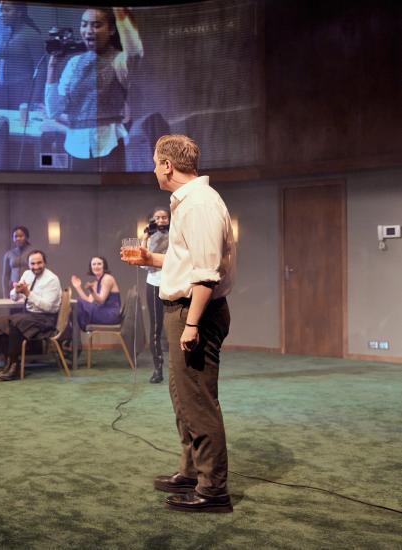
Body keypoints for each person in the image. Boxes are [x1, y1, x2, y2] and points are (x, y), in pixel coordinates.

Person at [124, 134, 236, 513]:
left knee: (198, 400)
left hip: (194, 312)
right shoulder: (188, 203)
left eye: (155, 162)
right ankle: (190, 470)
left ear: (168, 165)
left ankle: (212, 489)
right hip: (186, 309)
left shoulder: (200, 204)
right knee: (182, 396)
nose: (154, 169)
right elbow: (187, 260)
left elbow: (206, 274)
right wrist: (151, 260)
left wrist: (191, 324)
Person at [44, 7, 142, 171]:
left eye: (96, 25)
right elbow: (53, 111)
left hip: (110, 146)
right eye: (84, 25)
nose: (88, 31)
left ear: (111, 30)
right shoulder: (74, 63)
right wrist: (52, 67)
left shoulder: (119, 60)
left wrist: (121, 11)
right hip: (76, 148)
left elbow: (134, 53)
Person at [0, 250, 61, 381]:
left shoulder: (52, 279)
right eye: (32, 263)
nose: (36, 267)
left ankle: (15, 366)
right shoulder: (27, 274)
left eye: (39, 263)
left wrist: (28, 293)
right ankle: (10, 361)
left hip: (46, 318)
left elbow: (48, 307)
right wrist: (16, 291)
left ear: (45, 262)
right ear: (28, 264)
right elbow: (14, 297)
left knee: (16, 322)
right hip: (29, 315)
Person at [0, 1, 44, 109]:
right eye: (0, 10)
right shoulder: (1, 35)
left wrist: (34, 100)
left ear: (19, 13)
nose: (1, 14)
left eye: (7, 10)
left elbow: (41, 70)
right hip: (2, 91)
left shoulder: (31, 35)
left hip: (23, 92)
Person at [142, 207, 170, 383]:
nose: (161, 220)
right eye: (157, 218)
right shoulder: (148, 236)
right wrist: (145, 236)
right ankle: (157, 368)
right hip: (153, 282)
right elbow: (143, 262)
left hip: (174, 282)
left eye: (164, 217)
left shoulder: (176, 233)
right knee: (155, 328)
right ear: (152, 220)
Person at [71, 256, 121, 331]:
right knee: (78, 305)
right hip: (102, 311)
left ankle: (75, 340)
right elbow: (89, 301)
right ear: (91, 267)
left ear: (104, 266)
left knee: (78, 306)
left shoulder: (107, 279)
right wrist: (78, 287)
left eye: (99, 264)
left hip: (110, 314)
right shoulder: (96, 283)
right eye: (93, 264)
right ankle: (73, 338)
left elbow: (101, 300)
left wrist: (91, 290)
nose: (96, 266)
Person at [1, 226, 33, 293]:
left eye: (21, 236)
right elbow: (5, 276)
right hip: (13, 288)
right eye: (15, 236)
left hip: (29, 287)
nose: (18, 238)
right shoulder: (9, 254)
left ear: (26, 237)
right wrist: (5, 294)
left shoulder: (33, 252)